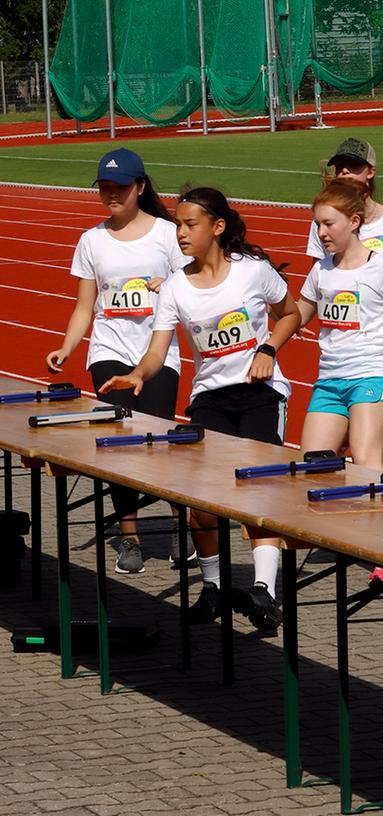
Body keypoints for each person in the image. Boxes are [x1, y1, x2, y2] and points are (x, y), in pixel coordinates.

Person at [100, 187, 301, 631]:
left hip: (260, 394)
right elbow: (157, 351)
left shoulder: (252, 271)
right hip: (209, 399)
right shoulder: (174, 287)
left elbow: (291, 313)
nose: (181, 233)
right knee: (203, 502)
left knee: (259, 494)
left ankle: (264, 591)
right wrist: (138, 375)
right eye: (178, 224)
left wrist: (268, 347)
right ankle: (213, 588)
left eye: (191, 224)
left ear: (218, 227)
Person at [46, 148, 186, 575]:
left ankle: (184, 528)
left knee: (160, 441)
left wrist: (174, 281)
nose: (111, 194)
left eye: (119, 187)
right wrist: (67, 347)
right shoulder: (91, 240)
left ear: (139, 187)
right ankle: (129, 536)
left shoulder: (166, 234)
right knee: (120, 444)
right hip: (108, 350)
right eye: (105, 187)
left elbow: (197, 278)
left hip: (159, 351)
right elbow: (85, 306)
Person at [297, 177, 383, 472]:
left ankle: (377, 516)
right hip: (329, 380)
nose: (321, 233)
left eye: (328, 224)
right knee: (311, 466)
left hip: (370, 375)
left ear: (354, 221)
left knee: (365, 463)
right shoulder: (321, 271)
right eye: (317, 225)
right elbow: (299, 312)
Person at [306, 139, 383, 417]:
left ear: (370, 171)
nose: (345, 173)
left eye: (353, 167)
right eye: (340, 168)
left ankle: (375, 461)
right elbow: (321, 276)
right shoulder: (324, 223)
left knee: (379, 414)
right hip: (342, 334)